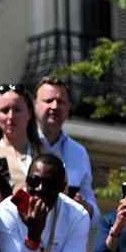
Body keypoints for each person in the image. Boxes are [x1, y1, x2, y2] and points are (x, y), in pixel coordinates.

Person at [33, 77, 96, 225]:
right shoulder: (23, 143)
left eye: (60, 102)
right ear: (34, 105)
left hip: (62, 241)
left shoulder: (79, 153)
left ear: (68, 108)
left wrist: (84, 206)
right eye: (48, 101)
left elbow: (94, 212)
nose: (54, 106)